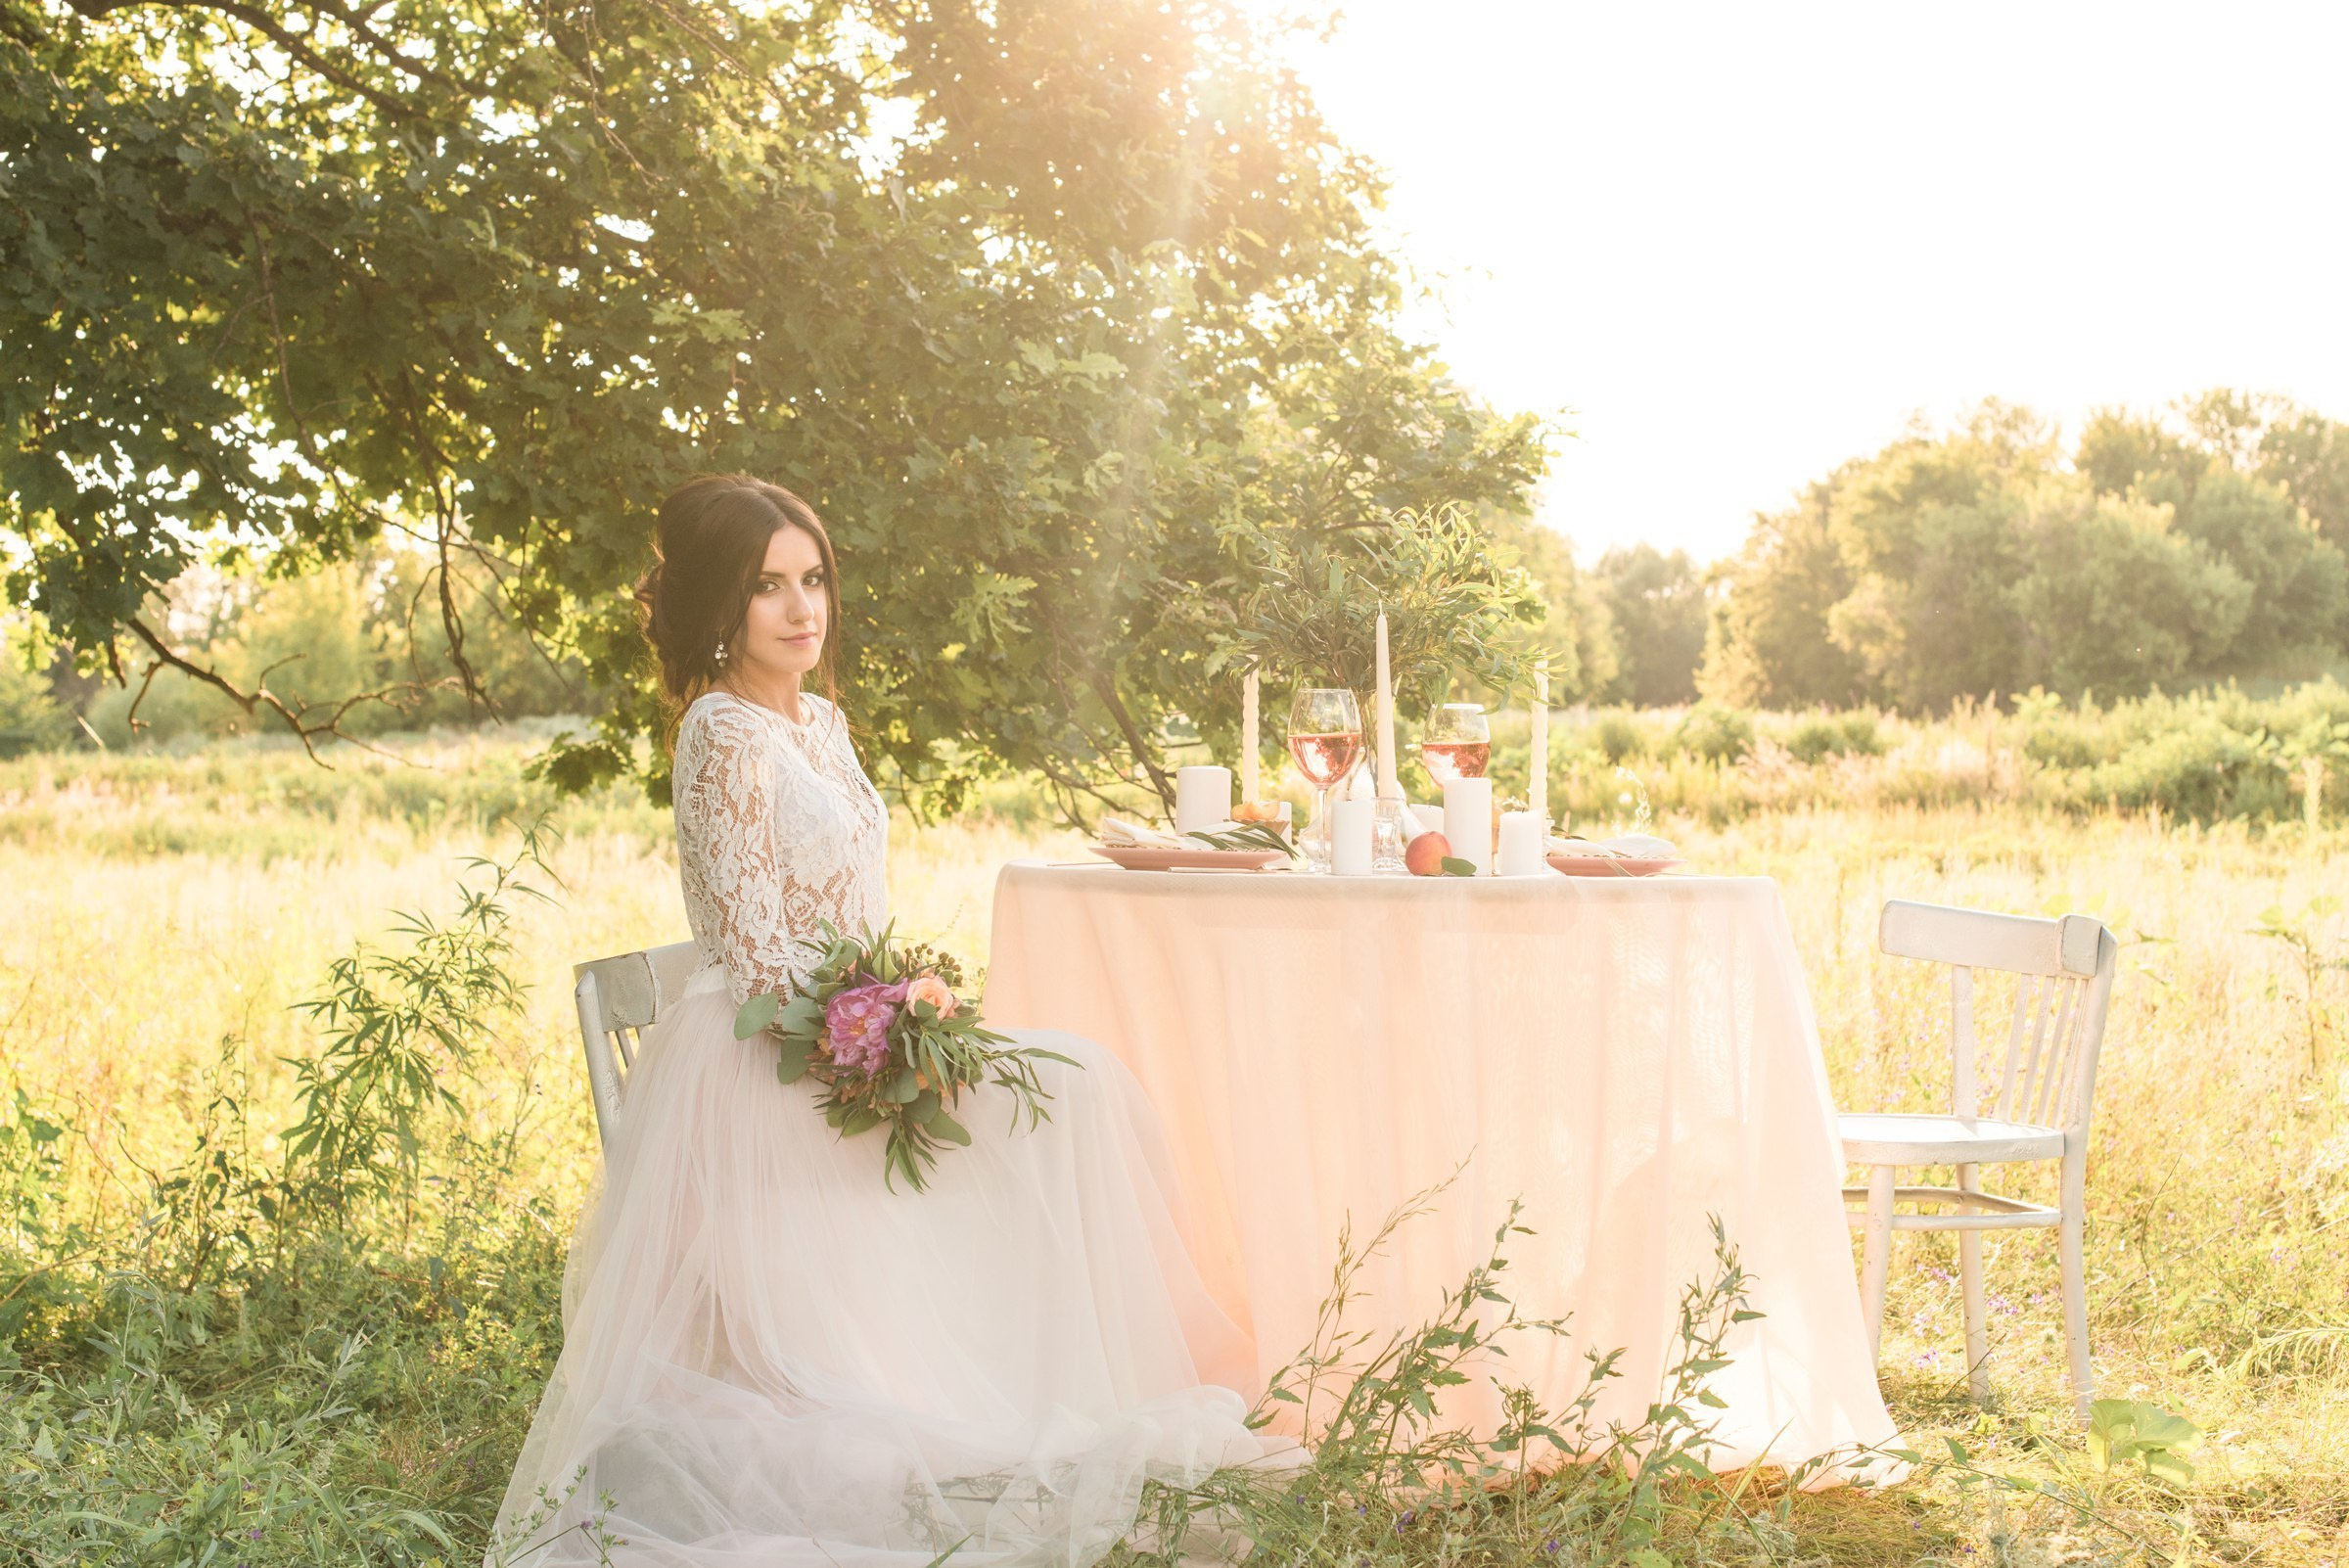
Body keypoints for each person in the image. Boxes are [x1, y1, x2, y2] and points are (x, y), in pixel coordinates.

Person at [492, 476, 1267, 1567]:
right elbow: (762, 961)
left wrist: (911, 1008)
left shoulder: (820, 720)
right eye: (768, 588)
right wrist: (885, 1036)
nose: (801, 609)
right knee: (1065, 1093)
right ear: (722, 602)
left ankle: (1080, 1385)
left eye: (812, 580)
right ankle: (997, 1414)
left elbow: (854, 916)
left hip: (855, 1023)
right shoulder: (720, 734)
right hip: (768, 1058)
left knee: (1084, 1082)